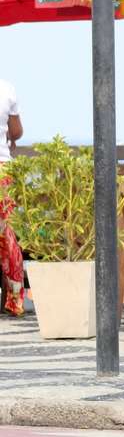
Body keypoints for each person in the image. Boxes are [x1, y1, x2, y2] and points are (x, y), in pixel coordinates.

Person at [0, 78, 24, 317]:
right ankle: (15, 299)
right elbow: (16, 131)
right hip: (3, 170)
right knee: (6, 233)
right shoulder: (6, 88)